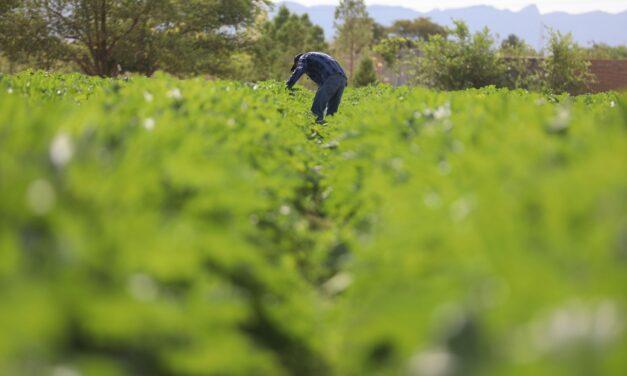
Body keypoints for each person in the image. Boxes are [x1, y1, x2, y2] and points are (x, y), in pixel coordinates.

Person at [286, 52, 348, 123]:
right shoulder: (315, 58)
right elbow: (321, 81)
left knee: (317, 109)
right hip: (342, 79)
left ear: (297, 61)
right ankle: (330, 130)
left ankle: (317, 130)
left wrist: (287, 86)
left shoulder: (303, 58)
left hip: (331, 77)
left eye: (296, 65)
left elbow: (299, 70)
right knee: (332, 111)